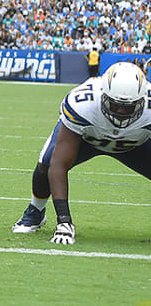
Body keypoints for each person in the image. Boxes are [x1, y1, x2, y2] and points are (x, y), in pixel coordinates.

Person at [11, 62, 151, 244]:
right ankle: (36, 211)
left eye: (129, 107)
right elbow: (58, 164)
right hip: (87, 139)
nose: (121, 113)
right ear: (103, 95)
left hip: (135, 144)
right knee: (47, 162)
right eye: (115, 105)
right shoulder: (83, 103)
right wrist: (64, 221)